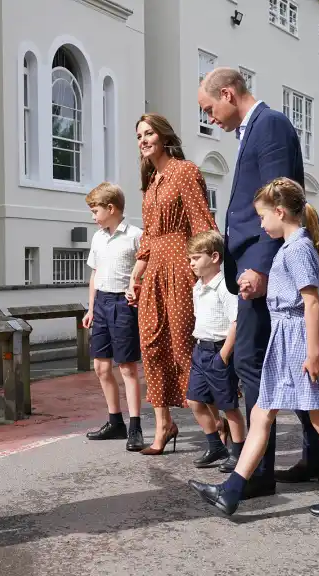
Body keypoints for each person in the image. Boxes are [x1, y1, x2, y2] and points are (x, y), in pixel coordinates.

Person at [188, 177, 319, 519]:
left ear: (280, 212)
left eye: (263, 216)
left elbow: (311, 303)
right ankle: (232, 491)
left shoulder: (298, 248)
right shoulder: (290, 247)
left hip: (299, 342)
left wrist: (313, 353)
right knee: (260, 415)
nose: (260, 223)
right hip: (284, 341)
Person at [195, 67, 319, 491]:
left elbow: (281, 198)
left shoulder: (270, 125)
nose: (210, 118)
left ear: (229, 94)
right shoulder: (251, 130)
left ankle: (255, 474)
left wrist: (261, 265)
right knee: (283, 364)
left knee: (251, 362)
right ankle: (318, 459)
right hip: (253, 263)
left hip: (262, 266)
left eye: (209, 108)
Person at [127, 114, 219, 455]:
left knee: (183, 347)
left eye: (149, 133)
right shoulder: (151, 181)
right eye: (139, 135)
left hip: (182, 265)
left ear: (164, 135)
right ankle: (164, 424)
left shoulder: (184, 170)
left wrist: (207, 270)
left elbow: (201, 221)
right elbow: (149, 236)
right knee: (150, 345)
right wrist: (135, 275)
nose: (143, 139)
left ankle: (218, 423)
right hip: (153, 272)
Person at [82, 182, 145, 451]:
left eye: (95, 210)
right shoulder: (97, 238)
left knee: (127, 367)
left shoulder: (135, 236)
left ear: (111, 208)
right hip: (102, 304)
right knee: (101, 367)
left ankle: (135, 427)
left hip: (123, 304)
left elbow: (145, 271)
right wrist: (90, 307)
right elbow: (95, 275)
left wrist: (136, 290)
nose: (92, 216)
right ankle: (115, 422)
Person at [185, 230, 246, 469]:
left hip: (220, 350)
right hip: (201, 349)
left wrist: (223, 355)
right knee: (194, 400)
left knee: (228, 406)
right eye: (190, 259)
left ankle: (238, 452)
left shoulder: (225, 286)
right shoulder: (198, 287)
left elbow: (236, 322)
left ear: (214, 257)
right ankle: (215, 446)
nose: (191, 263)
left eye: (196, 258)